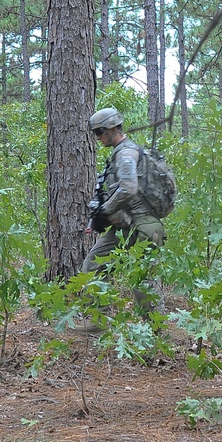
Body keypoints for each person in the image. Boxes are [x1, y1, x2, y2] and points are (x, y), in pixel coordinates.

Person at [76, 107, 165, 331]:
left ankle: (157, 334)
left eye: (100, 132)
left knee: (143, 282)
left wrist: (106, 209)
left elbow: (128, 187)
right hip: (125, 225)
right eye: (95, 133)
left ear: (113, 128)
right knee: (94, 264)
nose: (98, 137)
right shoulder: (119, 153)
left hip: (143, 225)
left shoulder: (126, 153)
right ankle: (100, 322)